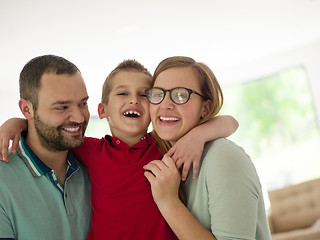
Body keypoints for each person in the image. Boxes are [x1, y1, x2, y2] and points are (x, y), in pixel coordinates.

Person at [0, 59, 238, 239]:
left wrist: (196, 137)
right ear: (102, 111)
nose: (134, 100)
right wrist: (20, 123)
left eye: (144, 94)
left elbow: (230, 122)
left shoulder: (168, 147)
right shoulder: (90, 150)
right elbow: (53, 133)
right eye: (123, 93)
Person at [143, 56, 272, 240]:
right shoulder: (160, 156)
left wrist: (168, 202)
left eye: (180, 95)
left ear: (205, 107)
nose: (165, 104)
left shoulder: (223, 157)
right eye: (157, 94)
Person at [0, 55, 92, 240]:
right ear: (27, 110)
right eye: (62, 107)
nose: (80, 118)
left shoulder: (95, 164)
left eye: (83, 103)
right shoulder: (3, 181)